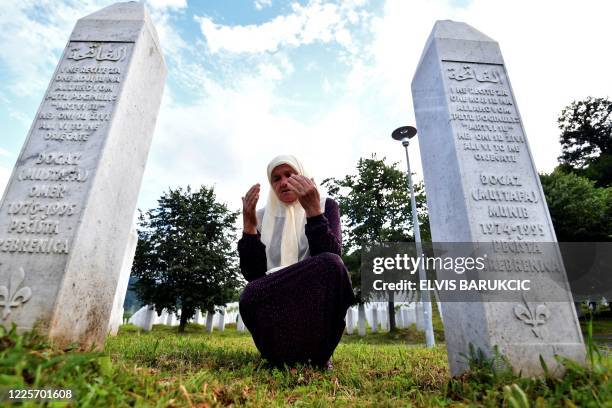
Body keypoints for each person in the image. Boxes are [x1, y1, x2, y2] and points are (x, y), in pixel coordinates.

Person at [238, 155, 355, 367]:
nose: (283, 182)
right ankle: (278, 356)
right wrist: (249, 227)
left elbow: (331, 259)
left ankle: (319, 356)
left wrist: (313, 212)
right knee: (250, 293)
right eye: (276, 178)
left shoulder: (325, 205)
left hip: (314, 298)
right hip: (274, 297)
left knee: (332, 264)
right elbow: (252, 274)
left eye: (289, 174)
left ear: (303, 175)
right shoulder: (261, 216)